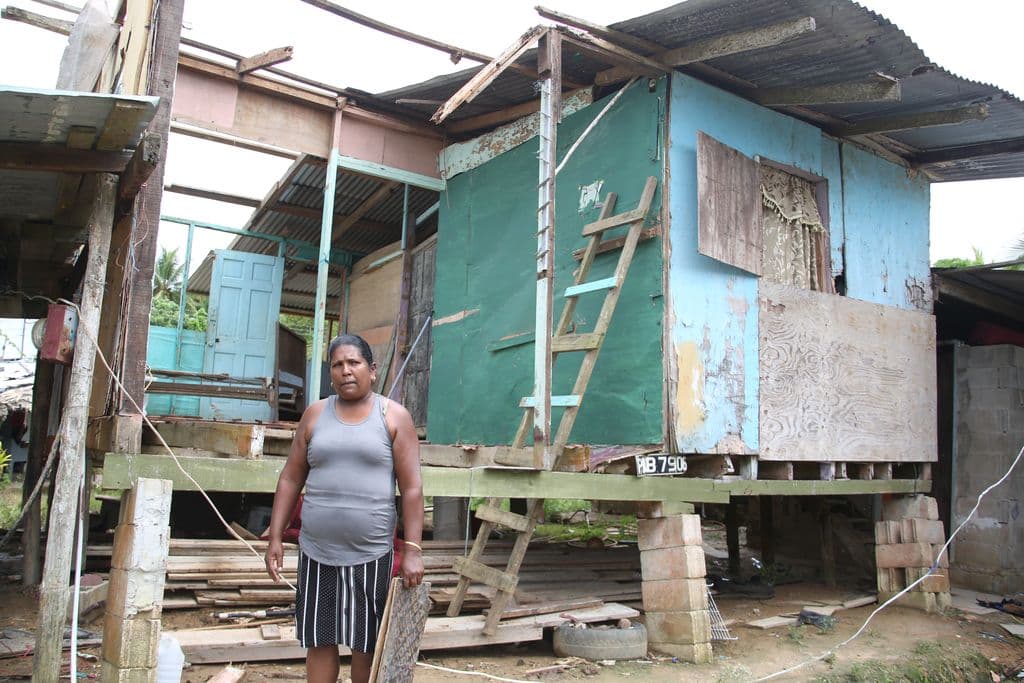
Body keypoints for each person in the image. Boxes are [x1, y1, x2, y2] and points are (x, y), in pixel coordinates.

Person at [265, 334, 424, 683]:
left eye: (354, 363)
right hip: (316, 552)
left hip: (370, 556)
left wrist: (412, 550)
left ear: (372, 369)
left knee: (365, 644)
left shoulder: (394, 417)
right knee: (319, 642)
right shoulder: (315, 415)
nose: (345, 371)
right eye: (337, 365)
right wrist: (275, 536)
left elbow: (411, 489)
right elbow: (290, 478)